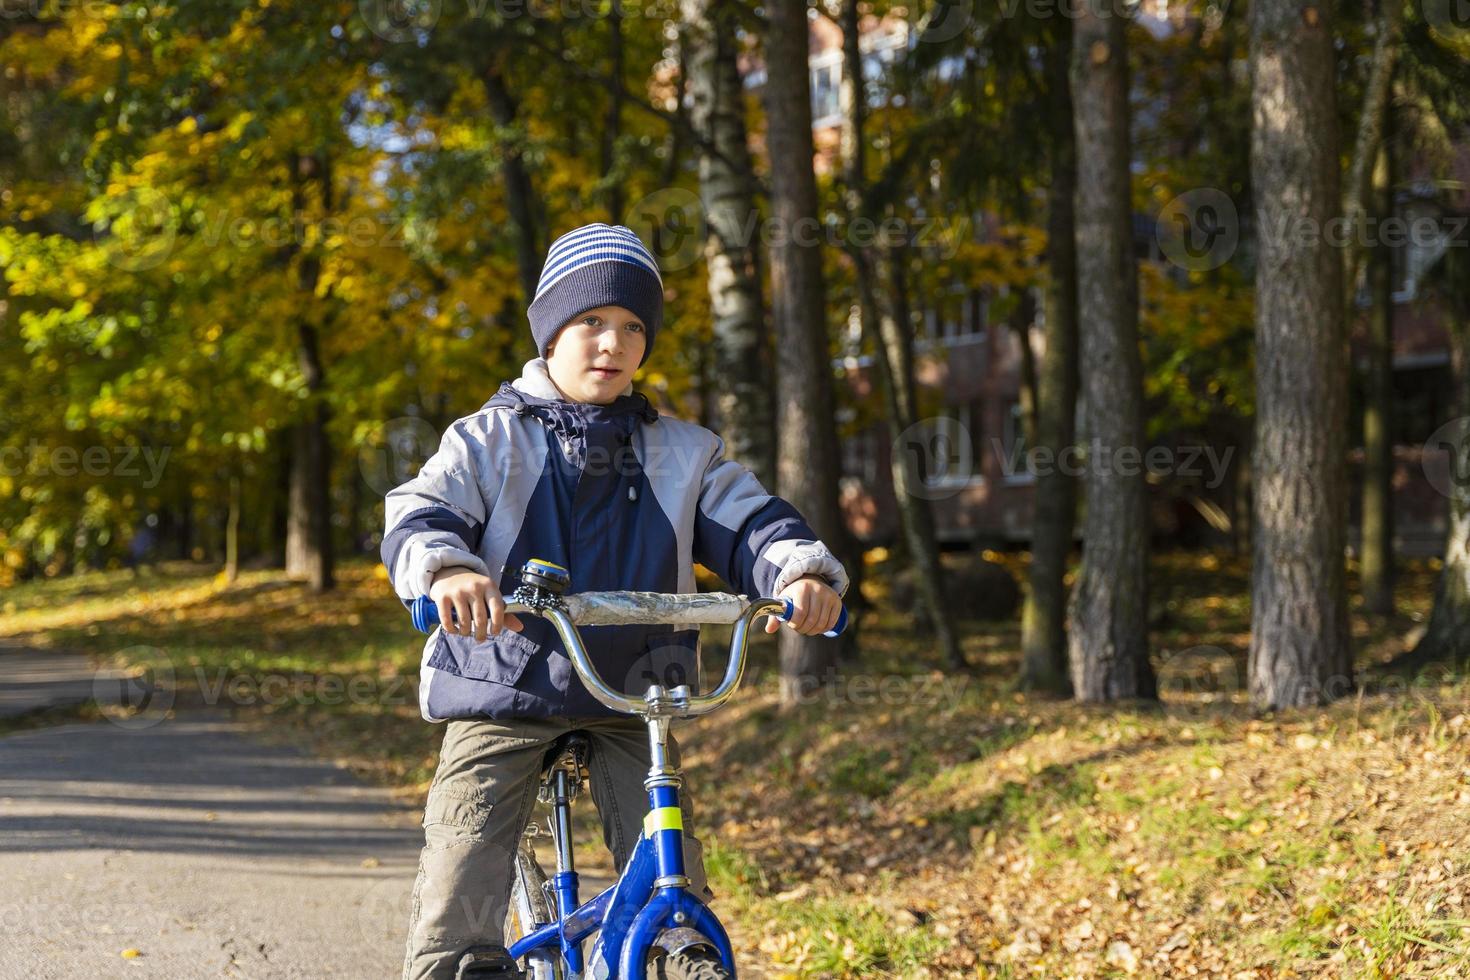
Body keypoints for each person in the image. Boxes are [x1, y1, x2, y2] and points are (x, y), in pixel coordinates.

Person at [381, 222, 849, 980]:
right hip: (506, 677)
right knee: (465, 848)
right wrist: (445, 573)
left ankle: (669, 947)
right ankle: (456, 961)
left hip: (636, 685)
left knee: (668, 853)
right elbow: (420, 514)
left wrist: (799, 574)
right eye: (591, 320)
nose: (614, 342)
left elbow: (752, 524)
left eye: (634, 327)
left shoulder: (684, 452)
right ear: (550, 331)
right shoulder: (490, 439)